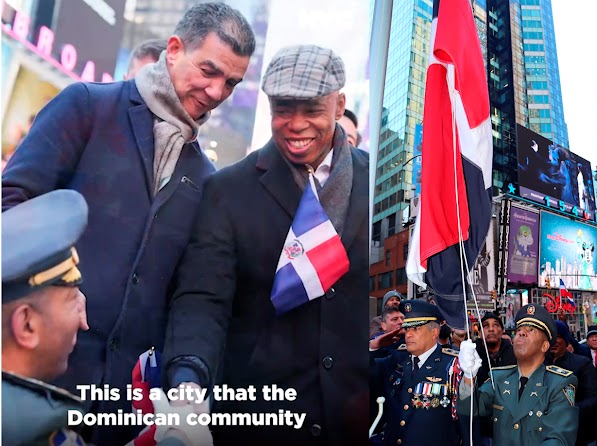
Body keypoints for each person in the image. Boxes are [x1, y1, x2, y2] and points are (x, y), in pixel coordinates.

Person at [1, 4, 255, 444]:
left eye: (231, 82)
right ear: (174, 49)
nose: (217, 91)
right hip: (35, 382)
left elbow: (193, 296)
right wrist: (55, 289)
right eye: (209, 71)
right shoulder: (87, 107)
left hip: (123, 411)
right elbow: (12, 202)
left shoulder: (208, 179)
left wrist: (188, 381)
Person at [162, 44, 369, 445]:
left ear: (339, 105)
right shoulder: (228, 189)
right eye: (282, 109)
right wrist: (188, 378)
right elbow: (203, 299)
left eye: (310, 110)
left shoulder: (375, 183)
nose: (295, 125)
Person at [1, 190, 209, 446]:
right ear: (26, 324)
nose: (82, 320)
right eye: (71, 302)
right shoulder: (25, 428)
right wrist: (179, 440)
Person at [458, 304, 579, 445]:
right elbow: (470, 408)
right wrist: (468, 376)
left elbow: (559, 438)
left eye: (531, 330)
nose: (521, 333)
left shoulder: (559, 383)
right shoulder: (498, 378)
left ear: (544, 346)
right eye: (519, 330)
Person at [370, 300, 459, 445]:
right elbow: (367, 372)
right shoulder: (398, 358)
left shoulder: (452, 364)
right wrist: (374, 347)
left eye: (416, 329)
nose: (408, 334)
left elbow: (466, 420)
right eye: (407, 328)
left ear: (434, 332)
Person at [546, 321, 597, 446]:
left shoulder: (582, 363)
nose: (554, 341)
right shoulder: (539, 365)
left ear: (566, 341)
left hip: (580, 433)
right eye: (551, 337)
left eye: (559, 337)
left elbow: (594, 397)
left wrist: (569, 411)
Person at [472, 312, 517, 446]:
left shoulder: (515, 353)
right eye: (485, 326)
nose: (491, 329)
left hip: (510, 427)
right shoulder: (471, 356)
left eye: (495, 325)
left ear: (502, 330)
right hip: (481, 428)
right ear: (479, 332)